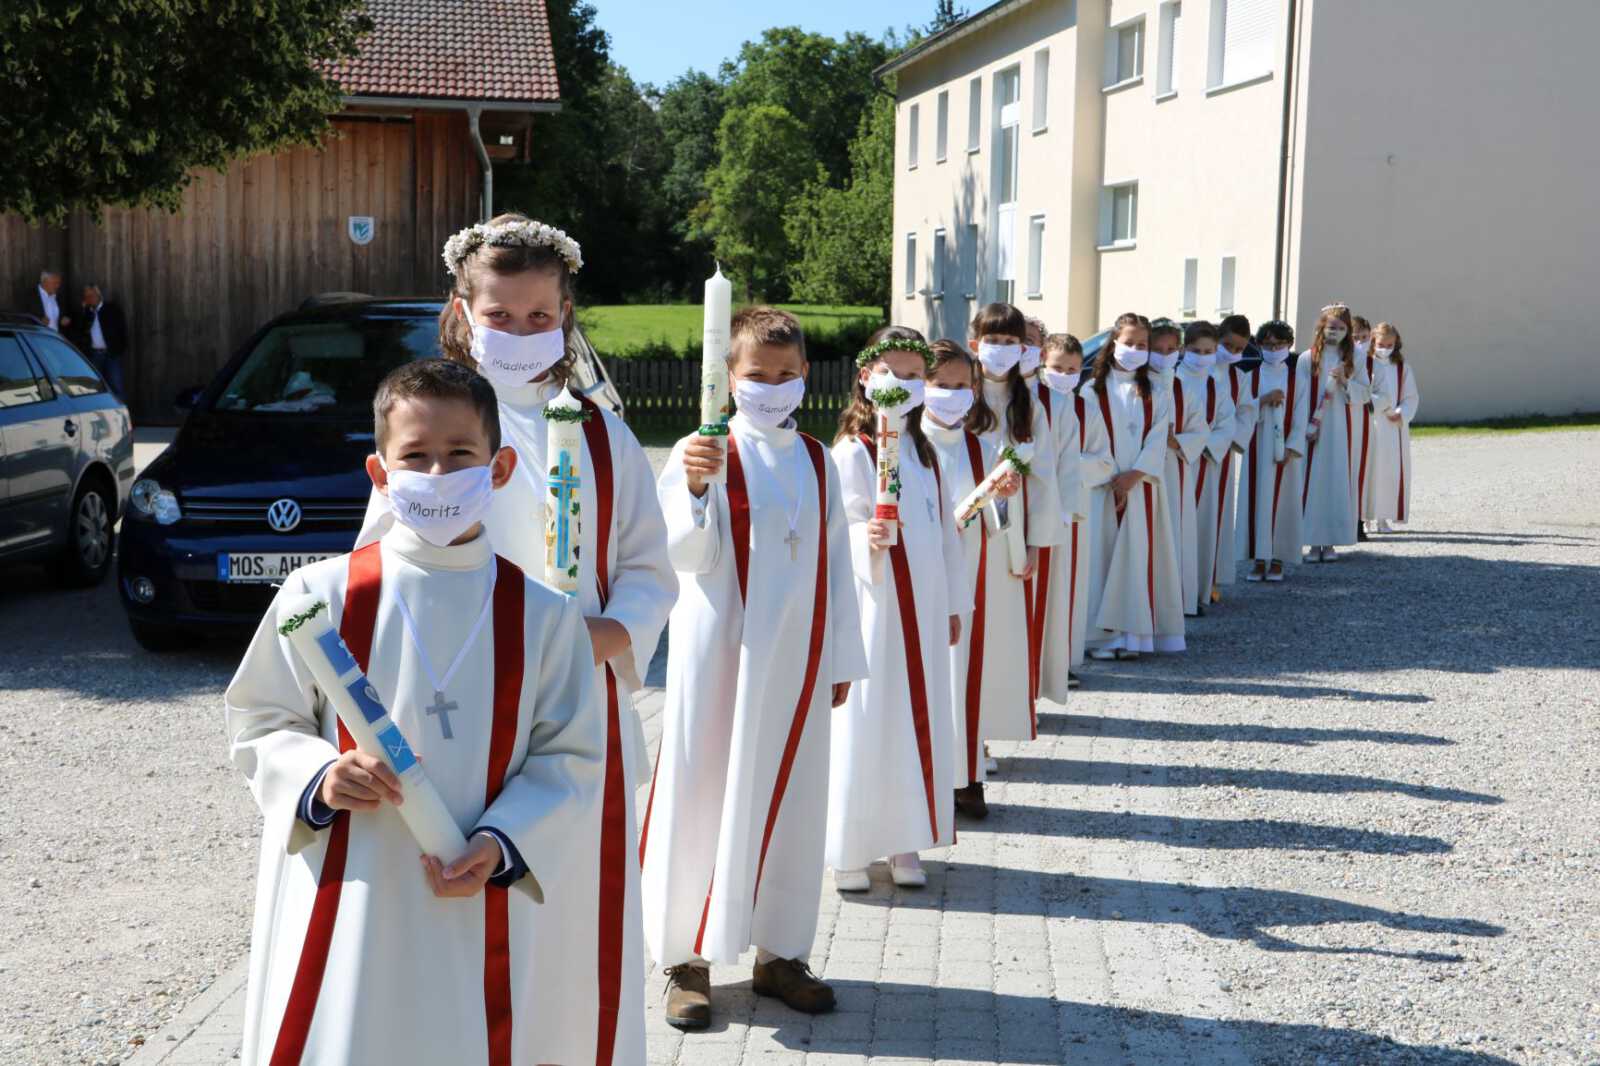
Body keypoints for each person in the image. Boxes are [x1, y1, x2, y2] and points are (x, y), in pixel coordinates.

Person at [355, 214, 674, 1066]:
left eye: (540, 317)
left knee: (566, 927)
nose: (521, 332)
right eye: (500, 316)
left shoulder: (603, 435)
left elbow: (648, 569)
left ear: (566, 315)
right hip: (453, 708)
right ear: (463, 311)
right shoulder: (435, 433)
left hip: (578, 704)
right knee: (459, 916)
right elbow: (376, 569)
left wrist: (606, 633)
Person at [225, 359, 608, 1065]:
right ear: (380, 472)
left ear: (499, 469)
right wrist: (319, 777)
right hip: (356, 886)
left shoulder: (545, 617)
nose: (437, 474)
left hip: (479, 891)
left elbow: (572, 757)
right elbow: (262, 720)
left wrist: (502, 842)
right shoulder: (320, 596)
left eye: (460, 454)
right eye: (415, 456)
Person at [644, 307, 867, 1029]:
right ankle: (686, 958)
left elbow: (836, 562)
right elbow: (679, 554)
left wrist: (841, 655)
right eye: (757, 375)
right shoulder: (703, 449)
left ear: (805, 375)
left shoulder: (817, 459)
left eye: (785, 374)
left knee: (794, 795)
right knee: (703, 791)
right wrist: (696, 491)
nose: (771, 387)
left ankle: (780, 952)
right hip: (721, 654)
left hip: (798, 654)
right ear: (729, 376)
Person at [827, 328, 969, 892]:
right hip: (876, 607)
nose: (903, 385)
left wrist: (953, 602)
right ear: (866, 376)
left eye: (914, 376)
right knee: (869, 718)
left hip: (924, 608)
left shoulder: (924, 452)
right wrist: (864, 535)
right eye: (892, 373)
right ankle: (849, 846)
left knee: (917, 716)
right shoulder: (852, 452)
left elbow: (945, 533)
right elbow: (838, 527)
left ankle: (904, 837)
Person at [921, 339, 1023, 820]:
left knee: (963, 677)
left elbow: (995, 524)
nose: (952, 394)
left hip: (966, 577)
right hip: (919, 576)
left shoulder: (982, 449)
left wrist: (1003, 498)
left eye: (962, 385)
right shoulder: (903, 445)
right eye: (941, 385)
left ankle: (964, 777)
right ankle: (924, 779)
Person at [967, 303, 1062, 713]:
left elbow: (1043, 478)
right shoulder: (960, 395)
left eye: (1011, 341)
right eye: (993, 340)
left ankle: (990, 720)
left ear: (1023, 348)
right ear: (976, 344)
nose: (1002, 348)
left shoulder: (1029, 405)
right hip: (965, 522)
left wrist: (1036, 544)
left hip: (1011, 530)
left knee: (1001, 627)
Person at [1080, 313, 1185, 658]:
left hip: (1142, 486)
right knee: (1103, 557)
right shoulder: (1091, 390)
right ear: (1113, 343)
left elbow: (1158, 436)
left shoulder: (1156, 390)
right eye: (1129, 343)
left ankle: (1133, 637)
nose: (1135, 350)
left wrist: (1134, 475)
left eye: (1142, 345)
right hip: (1103, 487)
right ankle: (1101, 639)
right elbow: (1090, 439)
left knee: (1138, 557)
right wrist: (1113, 477)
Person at [1240, 320, 1309, 582]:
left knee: (1283, 502)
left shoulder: (1297, 378)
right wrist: (1263, 400)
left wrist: (1293, 445)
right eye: (1268, 345)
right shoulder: (1250, 377)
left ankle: (1278, 558)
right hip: (1257, 446)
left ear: (1289, 345)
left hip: (1286, 452)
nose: (1273, 349)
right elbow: (1242, 410)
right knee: (1257, 500)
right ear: (1258, 345)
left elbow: (1301, 413)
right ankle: (1259, 559)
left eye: (1279, 344)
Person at [1299, 303, 1369, 562]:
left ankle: (1330, 542)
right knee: (1313, 481)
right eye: (1331, 326)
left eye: (1340, 328)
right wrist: (1305, 426)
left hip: (1342, 429)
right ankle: (1312, 541)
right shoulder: (1308, 358)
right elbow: (1299, 396)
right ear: (1322, 326)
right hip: (1314, 429)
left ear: (1348, 330)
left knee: (1336, 480)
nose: (1335, 331)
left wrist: (1345, 381)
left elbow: (1365, 392)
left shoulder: (1356, 357)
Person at [1150, 319, 1208, 618]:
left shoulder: (1184, 389)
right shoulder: (1134, 385)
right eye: (1157, 349)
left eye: (1170, 349)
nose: (1164, 355)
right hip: (1141, 475)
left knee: (1174, 532)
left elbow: (1200, 431)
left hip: (1173, 470)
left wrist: (1176, 441)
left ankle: (1174, 602)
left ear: (1180, 350)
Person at [1042, 333, 1091, 684]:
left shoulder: (1087, 406)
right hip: (1033, 505)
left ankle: (1062, 660)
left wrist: (1070, 466)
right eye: (1057, 368)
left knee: (1064, 587)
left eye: (1072, 370)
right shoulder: (1030, 400)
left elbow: (1103, 456)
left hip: (1070, 504)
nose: (1064, 375)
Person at [1185, 321, 1238, 612]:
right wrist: (1186, 444)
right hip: (1177, 464)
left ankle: (1197, 591)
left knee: (1203, 528)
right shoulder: (1172, 381)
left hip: (1206, 463)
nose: (1202, 357)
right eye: (1196, 351)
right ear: (1185, 349)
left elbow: (1227, 423)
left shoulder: (1216, 385)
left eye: (1208, 352)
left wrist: (1204, 445)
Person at [1210, 316, 1257, 599]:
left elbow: (1246, 413)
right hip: (1186, 456)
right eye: (1228, 345)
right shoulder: (1195, 368)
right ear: (1217, 337)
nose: (1232, 352)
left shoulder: (1238, 377)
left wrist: (1226, 440)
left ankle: (1211, 578)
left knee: (1217, 516)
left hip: (1221, 456)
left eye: (1239, 349)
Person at [1362, 322, 1419, 532]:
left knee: (1389, 471)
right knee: (1369, 470)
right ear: (1373, 342)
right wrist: (1378, 406)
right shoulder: (1364, 364)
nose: (1385, 349)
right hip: (1371, 423)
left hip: (1393, 429)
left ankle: (1383, 517)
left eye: (1389, 345)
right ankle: (1364, 517)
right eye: (1381, 344)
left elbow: (1411, 396)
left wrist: (1401, 413)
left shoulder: (1402, 368)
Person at [73, 284, 129, 396]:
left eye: (92, 295)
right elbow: (78, 330)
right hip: (94, 355)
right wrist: (83, 310)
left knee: (116, 386)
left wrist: (119, 349)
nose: (90, 299)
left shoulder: (111, 309)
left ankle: (119, 407)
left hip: (111, 354)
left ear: (98, 295)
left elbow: (121, 330)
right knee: (95, 387)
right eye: (87, 297)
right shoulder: (86, 312)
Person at [1350, 315, 1375, 541]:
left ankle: (1359, 520)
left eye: (1364, 337)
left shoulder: (1375, 362)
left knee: (1362, 470)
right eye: (1355, 337)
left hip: (1364, 420)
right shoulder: (1344, 358)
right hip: (1343, 417)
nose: (1360, 342)